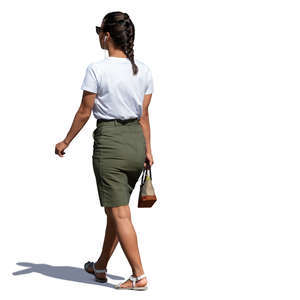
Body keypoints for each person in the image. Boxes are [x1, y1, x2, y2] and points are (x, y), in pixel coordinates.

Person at [54, 11, 154, 291]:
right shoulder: (143, 70)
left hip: (110, 142)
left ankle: (138, 276)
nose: (99, 35)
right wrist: (148, 149)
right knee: (116, 208)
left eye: (99, 30)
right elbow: (144, 115)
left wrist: (65, 142)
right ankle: (100, 266)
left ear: (107, 35)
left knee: (120, 212)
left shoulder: (97, 69)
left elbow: (85, 111)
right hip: (136, 141)